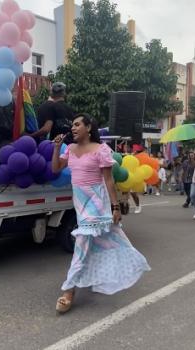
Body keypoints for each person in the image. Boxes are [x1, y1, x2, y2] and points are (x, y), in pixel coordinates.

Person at [51, 113, 150, 314]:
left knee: (81, 245)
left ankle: (68, 290)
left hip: (96, 205)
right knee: (98, 244)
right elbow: (55, 169)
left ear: (89, 128)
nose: (73, 128)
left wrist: (115, 207)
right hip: (80, 205)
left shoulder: (102, 150)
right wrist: (55, 147)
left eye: (78, 124)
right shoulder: (69, 149)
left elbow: (109, 181)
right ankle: (97, 274)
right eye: (72, 125)